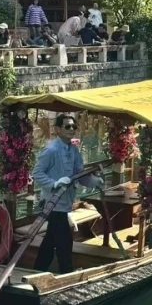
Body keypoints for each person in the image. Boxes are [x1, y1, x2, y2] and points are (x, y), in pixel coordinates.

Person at [32, 114, 105, 274]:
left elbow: (80, 175)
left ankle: (38, 270)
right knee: (65, 242)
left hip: (66, 203)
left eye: (73, 126)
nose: (71, 129)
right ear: (58, 129)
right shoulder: (51, 150)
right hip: (53, 203)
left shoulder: (73, 150)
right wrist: (54, 184)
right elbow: (37, 173)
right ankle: (67, 273)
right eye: (67, 126)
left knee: (50, 241)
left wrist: (94, 181)